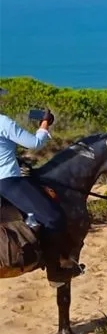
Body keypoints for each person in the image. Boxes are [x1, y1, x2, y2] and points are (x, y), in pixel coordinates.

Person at [0, 92, 80, 273]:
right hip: (7, 181)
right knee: (54, 218)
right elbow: (34, 143)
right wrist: (45, 123)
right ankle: (55, 268)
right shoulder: (3, 122)